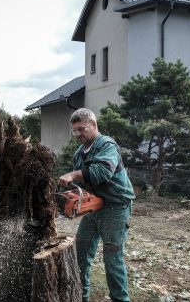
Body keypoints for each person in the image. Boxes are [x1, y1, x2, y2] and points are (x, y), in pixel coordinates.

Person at [59, 108, 135, 302]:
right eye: (74, 131)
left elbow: (102, 173)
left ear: (94, 125)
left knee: (112, 259)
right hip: (95, 207)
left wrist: (74, 175)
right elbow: (84, 183)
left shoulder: (106, 144)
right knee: (81, 255)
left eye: (82, 129)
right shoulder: (79, 153)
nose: (78, 134)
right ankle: (81, 297)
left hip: (116, 208)